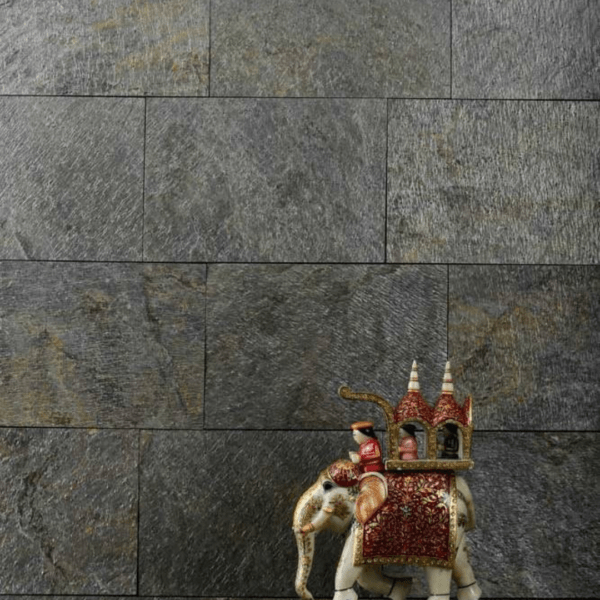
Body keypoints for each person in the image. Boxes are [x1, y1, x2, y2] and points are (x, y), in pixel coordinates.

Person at [349, 421, 386, 525]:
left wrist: (360, 458)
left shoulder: (373, 443)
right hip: (364, 471)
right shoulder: (363, 445)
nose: (354, 438)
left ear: (364, 433)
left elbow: (375, 455)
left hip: (373, 470)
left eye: (356, 435)